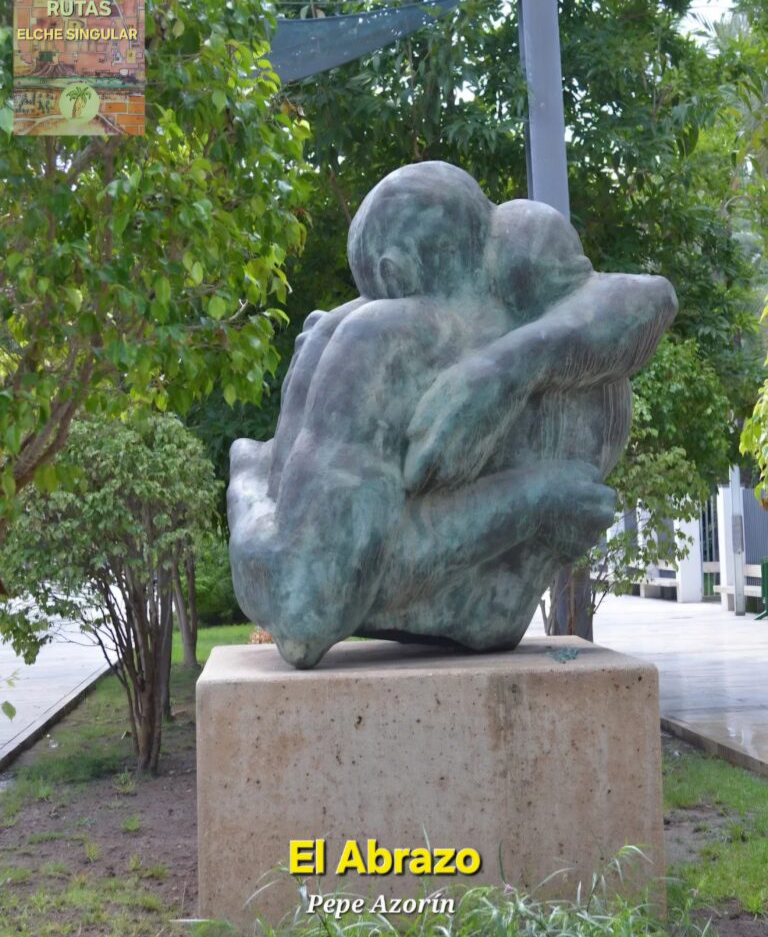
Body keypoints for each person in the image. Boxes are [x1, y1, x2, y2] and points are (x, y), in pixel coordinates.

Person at [228, 162, 677, 669]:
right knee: (321, 365)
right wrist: (535, 496)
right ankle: (252, 471)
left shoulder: (513, 252)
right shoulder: (380, 336)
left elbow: (651, 298)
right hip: (471, 591)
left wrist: (501, 372)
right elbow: (308, 611)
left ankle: (254, 467)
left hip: (491, 601)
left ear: (391, 271)